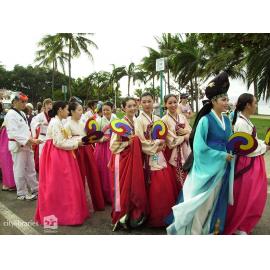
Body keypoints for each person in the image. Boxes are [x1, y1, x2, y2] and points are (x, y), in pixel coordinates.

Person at [167, 72, 235, 235]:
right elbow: (198, 147)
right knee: (201, 201)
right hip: (206, 167)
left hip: (222, 167)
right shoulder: (205, 120)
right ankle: (194, 231)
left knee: (215, 199)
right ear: (213, 101)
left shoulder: (226, 120)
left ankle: (209, 229)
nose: (227, 102)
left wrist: (232, 152)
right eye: (223, 99)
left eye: (227, 99)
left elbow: (230, 141)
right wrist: (220, 155)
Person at [35, 101, 89, 226]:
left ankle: (68, 213)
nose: (68, 112)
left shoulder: (58, 122)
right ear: (60, 110)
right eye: (66, 109)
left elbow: (62, 140)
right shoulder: (55, 123)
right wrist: (77, 144)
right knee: (63, 185)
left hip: (60, 153)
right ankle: (65, 214)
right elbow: (59, 143)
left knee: (63, 185)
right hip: (57, 155)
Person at [224, 93, 270, 235]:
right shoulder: (241, 123)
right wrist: (265, 147)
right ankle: (239, 225)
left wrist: (263, 143)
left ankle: (244, 223)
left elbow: (253, 141)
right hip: (247, 163)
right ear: (248, 105)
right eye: (255, 103)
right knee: (246, 194)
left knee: (254, 194)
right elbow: (247, 149)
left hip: (254, 160)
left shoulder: (246, 121)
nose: (256, 105)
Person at [135, 92, 178, 227]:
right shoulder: (139, 120)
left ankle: (165, 215)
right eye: (144, 102)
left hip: (159, 153)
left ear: (154, 102)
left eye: (149, 101)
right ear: (140, 103)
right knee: (154, 184)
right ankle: (154, 215)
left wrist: (163, 143)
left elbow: (164, 135)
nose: (147, 104)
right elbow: (140, 140)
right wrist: (155, 145)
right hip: (149, 155)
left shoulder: (157, 118)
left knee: (163, 183)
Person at [109, 97, 148, 231]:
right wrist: (127, 143)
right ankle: (120, 217)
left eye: (134, 105)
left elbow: (141, 140)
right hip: (122, 160)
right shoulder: (120, 123)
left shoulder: (136, 122)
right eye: (129, 106)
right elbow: (113, 146)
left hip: (134, 159)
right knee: (122, 188)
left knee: (133, 186)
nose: (132, 108)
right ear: (123, 108)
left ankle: (131, 216)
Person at [64, 102, 105, 211]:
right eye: (79, 110)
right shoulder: (67, 124)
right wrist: (78, 141)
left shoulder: (83, 122)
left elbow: (90, 136)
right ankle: (80, 205)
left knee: (90, 174)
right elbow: (66, 140)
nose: (81, 112)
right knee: (80, 176)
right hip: (76, 152)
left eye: (82, 110)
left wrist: (99, 139)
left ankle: (92, 202)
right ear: (72, 111)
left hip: (87, 150)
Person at [4, 92, 40, 200]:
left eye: (25, 101)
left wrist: (31, 140)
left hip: (26, 144)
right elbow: (14, 133)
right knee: (20, 170)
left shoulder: (22, 113)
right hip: (18, 145)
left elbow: (25, 130)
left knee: (31, 168)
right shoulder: (10, 114)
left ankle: (35, 189)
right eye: (22, 101)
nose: (25, 103)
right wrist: (28, 141)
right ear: (15, 101)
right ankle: (21, 193)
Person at [162, 94, 192, 191]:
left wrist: (186, 133)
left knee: (187, 174)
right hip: (172, 152)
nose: (173, 105)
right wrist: (185, 136)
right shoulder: (164, 120)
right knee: (175, 177)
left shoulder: (182, 117)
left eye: (175, 102)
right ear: (165, 104)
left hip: (185, 149)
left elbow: (190, 131)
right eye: (170, 103)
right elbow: (170, 140)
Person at [94, 101, 117, 204]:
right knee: (103, 170)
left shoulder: (116, 118)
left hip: (113, 146)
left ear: (112, 109)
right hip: (102, 147)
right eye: (103, 110)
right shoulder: (98, 121)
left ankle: (115, 194)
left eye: (108, 109)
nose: (106, 112)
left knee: (114, 169)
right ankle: (104, 195)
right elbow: (95, 137)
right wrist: (102, 139)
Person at [0, 119, 16, 191]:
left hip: (6, 148)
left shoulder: (5, 127)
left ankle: (7, 184)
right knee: (8, 164)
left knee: (7, 165)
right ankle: (10, 184)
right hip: (7, 148)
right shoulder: (7, 128)